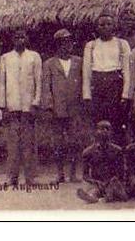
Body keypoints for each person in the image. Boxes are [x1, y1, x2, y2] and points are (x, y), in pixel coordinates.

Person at [0, 29, 42, 186]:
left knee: (29, 142)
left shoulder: (34, 56)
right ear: (12, 39)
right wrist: (2, 106)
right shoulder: (5, 58)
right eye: (16, 37)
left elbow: (38, 81)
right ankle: (12, 177)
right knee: (13, 143)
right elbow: (2, 83)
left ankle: (30, 177)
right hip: (12, 105)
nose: (20, 39)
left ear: (27, 38)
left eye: (23, 36)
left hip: (28, 106)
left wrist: (36, 102)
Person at [41, 28, 84, 183]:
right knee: (58, 142)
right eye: (63, 42)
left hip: (74, 107)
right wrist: (48, 106)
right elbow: (46, 87)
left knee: (74, 141)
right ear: (57, 45)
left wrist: (83, 103)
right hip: (57, 109)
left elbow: (84, 83)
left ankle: (73, 173)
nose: (67, 45)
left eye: (69, 42)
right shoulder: (49, 64)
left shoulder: (79, 61)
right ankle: (60, 173)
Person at [83, 11, 132, 144]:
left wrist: (125, 95)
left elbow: (127, 70)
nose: (105, 27)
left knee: (117, 124)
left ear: (114, 26)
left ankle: (117, 156)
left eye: (108, 24)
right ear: (97, 27)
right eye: (102, 25)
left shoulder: (122, 44)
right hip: (98, 86)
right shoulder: (91, 45)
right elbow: (87, 72)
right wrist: (87, 95)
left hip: (115, 85)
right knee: (99, 123)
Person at [77, 120, 128, 203]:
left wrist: (113, 180)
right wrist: (95, 182)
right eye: (102, 129)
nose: (105, 131)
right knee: (93, 190)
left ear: (111, 132)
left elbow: (122, 173)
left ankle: (108, 196)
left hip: (113, 182)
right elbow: (85, 175)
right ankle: (93, 197)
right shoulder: (88, 152)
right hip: (97, 183)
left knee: (116, 188)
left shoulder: (117, 150)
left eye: (107, 129)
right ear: (96, 132)